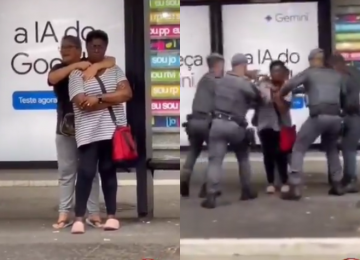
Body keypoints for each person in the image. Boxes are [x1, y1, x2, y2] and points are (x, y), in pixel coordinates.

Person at [48, 35, 116, 229]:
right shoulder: (59, 68)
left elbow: (112, 61)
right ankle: (64, 213)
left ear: (79, 49)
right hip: (65, 128)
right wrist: (76, 66)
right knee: (66, 172)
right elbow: (52, 79)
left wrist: (91, 66)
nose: (64, 51)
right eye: (62, 48)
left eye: (69, 47)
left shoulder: (91, 64)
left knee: (89, 171)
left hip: (89, 126)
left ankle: (93, 213)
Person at [68, 30, 132, 234]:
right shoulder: (77, 74)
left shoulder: (115, 70)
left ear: (105, 47)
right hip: (88, 131)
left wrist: (99, 98)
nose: (97, 49)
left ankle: (112, 216)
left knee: (108, 171)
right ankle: (79, 218)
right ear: (87, 47)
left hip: (112, 130)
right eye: (93, 46)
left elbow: (127, 93)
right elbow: (82, 103)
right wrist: (113, 98)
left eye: (100, 46)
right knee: (85, 172)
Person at [278, 48, 346, 200]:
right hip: (335, 117)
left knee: (299, 147)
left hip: (319, 116)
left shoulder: (309, 72)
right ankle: (337, 184)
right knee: (332, 149)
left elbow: (290, 85)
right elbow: (343, 94)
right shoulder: (335, 75)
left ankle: (294, 185)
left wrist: (281, 94)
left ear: (313, 60)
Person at [201, 53, 260, 209]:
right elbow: (259, 97)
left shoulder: (220, 81)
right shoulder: (243, 83)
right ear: (244, 66)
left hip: (217, 123)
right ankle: (246, 190)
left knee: (215, 161)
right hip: (235, 125)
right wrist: (254, 80)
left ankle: (211, 195)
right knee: (243, 156)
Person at [181, 53, 224, 198]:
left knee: (193, 151)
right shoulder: (217, 81)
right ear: (219, 65)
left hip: (193, 121)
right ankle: (207, 186)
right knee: (214, 155)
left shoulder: (203, 80)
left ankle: (184, 178)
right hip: (207, 121)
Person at [254, 60, 291, 194]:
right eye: (273, 71)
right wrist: (262, 87)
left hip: (281, 126)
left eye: (278, 71)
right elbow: (257, 100)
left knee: (282, 154)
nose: (276, 74)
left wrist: (276, 95)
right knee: (268, 154)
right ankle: (271, 182)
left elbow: (283, 109)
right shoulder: (263, 84)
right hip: (265, 124)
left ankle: (284, 180)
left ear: (283, 73)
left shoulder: (286, 88)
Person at [329, 54, 360, 193]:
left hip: (352, 114)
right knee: (349, 147)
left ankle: (350, 179)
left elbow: (340, 96)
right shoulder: (355, 71)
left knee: (348, 148)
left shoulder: (342, 77)